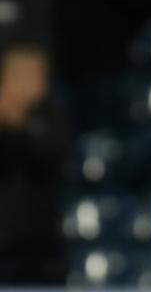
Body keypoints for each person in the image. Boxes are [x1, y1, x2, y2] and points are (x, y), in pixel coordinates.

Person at [0, 43, 69, 283]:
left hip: (38, 248)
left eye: (35, 75)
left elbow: (48, 153)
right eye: (20, 75)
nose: (28, 84)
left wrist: (18, 124)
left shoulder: (52, 117)